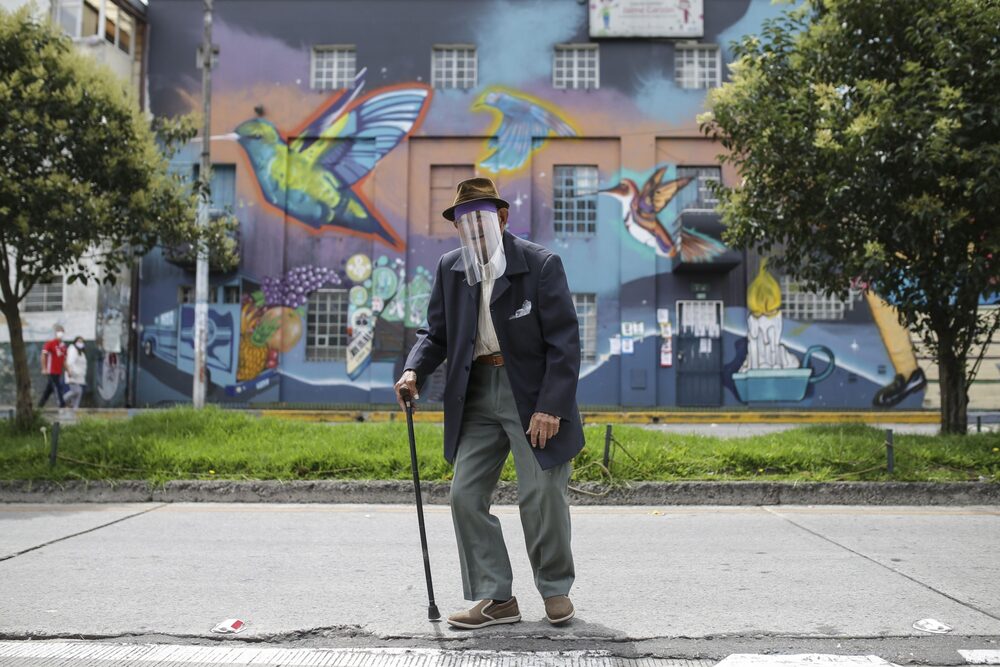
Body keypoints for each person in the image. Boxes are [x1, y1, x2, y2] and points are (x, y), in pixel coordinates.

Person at [395, 177, 584, 629]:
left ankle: (555, 588)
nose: (473, 232)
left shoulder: (539, 265)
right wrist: (413, 369)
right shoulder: (451, 268)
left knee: (540, 493)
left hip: (532, 394)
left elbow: (565, 343)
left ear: (501, 218)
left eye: (480, 221)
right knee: (465, 494)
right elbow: (436, 332)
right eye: (464, 224)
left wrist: (551, 406)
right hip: (476, 390)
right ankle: (497, 598)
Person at [39, 325, 67, 408]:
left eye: (61, 331)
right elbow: (43, 355)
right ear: (55, 333)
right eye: (58, 331)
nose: (60, 333)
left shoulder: (63, 346)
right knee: (58, 387)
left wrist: (68, 370)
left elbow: (63, 360)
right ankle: (62, 405)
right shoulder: (50, 343)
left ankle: (40, 406)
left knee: (49, 390)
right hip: (51, 371)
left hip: (58, 371)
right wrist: (44, 368)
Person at [63, 336, 88, 409]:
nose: (80, 343)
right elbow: (70, 362)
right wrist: (70, 372)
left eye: (82, 342)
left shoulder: (81, 353)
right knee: (77, 391)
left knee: (78, 392)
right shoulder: (72, 350)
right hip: (72, 374)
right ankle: (62, 400)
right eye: (79, 341)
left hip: (79, 377)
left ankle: (75, 408)